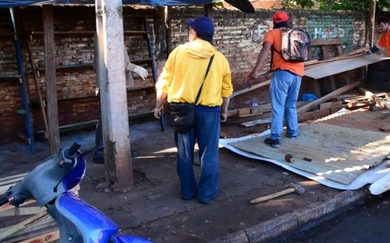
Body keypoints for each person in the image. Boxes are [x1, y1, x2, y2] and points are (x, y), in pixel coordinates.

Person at [154, 16, 232, 204]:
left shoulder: (178, 53)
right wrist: (224, 110)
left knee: (184, 153)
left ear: (194, 34)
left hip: (182, 111)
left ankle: (187, 191)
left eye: (190, 30)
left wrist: (158, 105)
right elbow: (226, 90)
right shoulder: (220, 59)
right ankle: (206, 194)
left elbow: (165, 81)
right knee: (209, 154)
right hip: (210, 112)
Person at [249, 11, 303, 149]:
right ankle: (292, 132)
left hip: (282, 75)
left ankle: (275, 138)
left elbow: (265, 51)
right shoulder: (296, 33)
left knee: (278, 106)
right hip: (298, 74)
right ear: (287, 20)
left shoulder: (272, 33)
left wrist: (255, 71)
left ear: (274, 22)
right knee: (290, 105)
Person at [93, 49, 149, 164]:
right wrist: (135, 68)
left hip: (111, 80)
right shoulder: (109, 32)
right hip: (111, 81)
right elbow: (114, 61)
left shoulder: (105, 33)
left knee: (112, 117)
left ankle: (115, 149)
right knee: (106, 118)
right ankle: (101, 152)